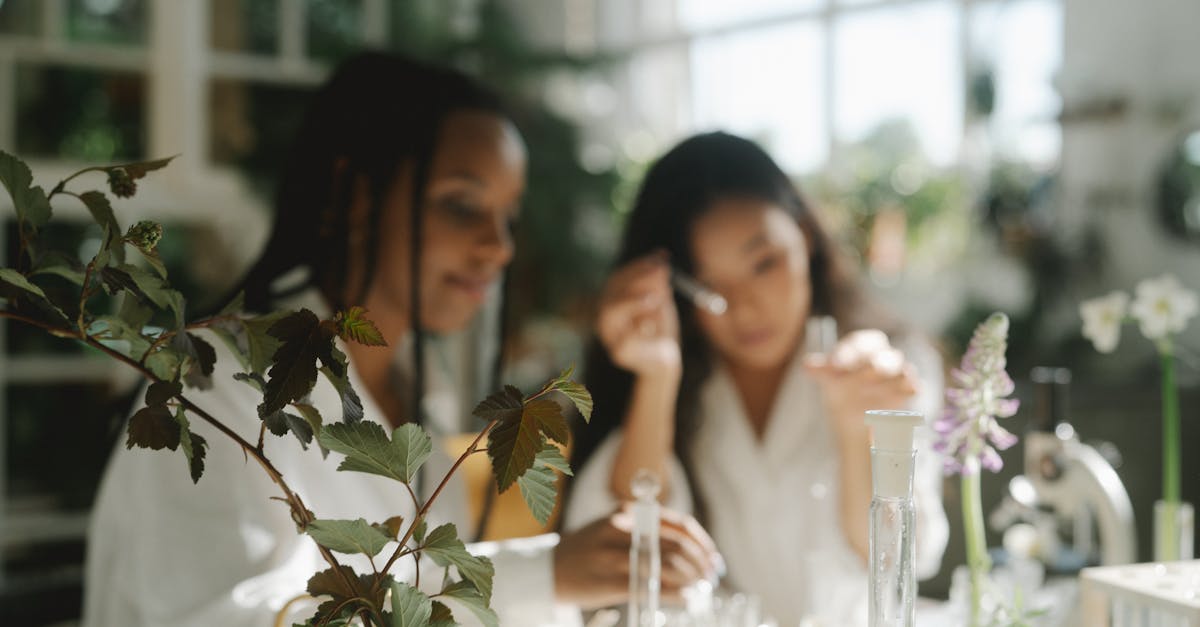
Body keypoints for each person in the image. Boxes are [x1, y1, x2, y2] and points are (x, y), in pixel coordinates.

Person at [84, 52, 719, 627]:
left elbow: (422, 588)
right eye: (463, 206)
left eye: (508, 218)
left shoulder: (420, 396)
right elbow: (219, 617)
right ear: (358, 195)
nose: (498, 247)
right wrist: (539, 576)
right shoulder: (211, 384)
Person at [564, 132, 948, 626]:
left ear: (805, 237)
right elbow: (625, 561)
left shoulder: (886, 366)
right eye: (709, 287)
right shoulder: (684, 381)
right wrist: (657, 378)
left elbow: (899, 564)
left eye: (764, 263)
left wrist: (859, 435)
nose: (745, 308)